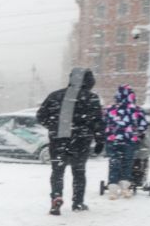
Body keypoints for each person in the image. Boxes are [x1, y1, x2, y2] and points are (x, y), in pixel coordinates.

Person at [35, 68, 103, 215]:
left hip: (58, 140)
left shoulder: (55, 96)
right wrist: (99, 141)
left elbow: (40, 115)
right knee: (79, 172)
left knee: (57, 171)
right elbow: (98, 122)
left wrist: (53, 126)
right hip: (81, 141)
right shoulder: (91, 98)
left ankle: (56, 197)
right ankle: (78, 203)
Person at [103, 84, 149, 199]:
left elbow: (103, 124)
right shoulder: (137, 110)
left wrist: (109, 133)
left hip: (112, 141)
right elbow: (143, 126)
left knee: (114, 163)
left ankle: (112, 188)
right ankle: (125, 187)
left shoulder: (109, 109)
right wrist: (137, 133)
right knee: (127, 163)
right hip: (130, 141)